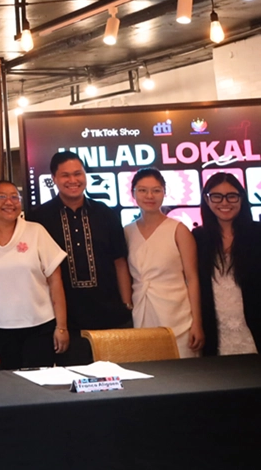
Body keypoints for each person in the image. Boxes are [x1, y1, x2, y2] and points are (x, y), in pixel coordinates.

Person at [27, 151, 132, 365]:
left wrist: (126, 305)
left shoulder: (105, 213)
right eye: (65, 175)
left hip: (110, 315)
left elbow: (119, 262)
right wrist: (59, 325)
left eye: (78, 173)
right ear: (54, 178)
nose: (73, 180)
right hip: (67, 321)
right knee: (76, 383)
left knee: (119, 382)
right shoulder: (39, 218)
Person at [0, 181, 69, 369]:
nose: (9, 202)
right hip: (3, 329)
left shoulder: (35, 231)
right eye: (1, 196)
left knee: (40, 386)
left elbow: (55, 281)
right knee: (14, 388)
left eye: (14, 196)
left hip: (41, 325)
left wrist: (61, 327)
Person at [124, 168, 203, 358]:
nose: (149, 196)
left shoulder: (178, 230)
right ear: (133, 193)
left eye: (156, 190)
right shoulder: (127, 232)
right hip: (142, 314)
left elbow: (192, 279)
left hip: (178, 317)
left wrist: (197, 323)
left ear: (164, 192)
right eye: (142, 190)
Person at [193, 173, 259, 356]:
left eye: (232, 196)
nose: (224, 202)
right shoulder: (198, 238)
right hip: (215, 328)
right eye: (216, 196)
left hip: (253, 325)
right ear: (206, 199)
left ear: (241, 198)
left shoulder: (256, 233)